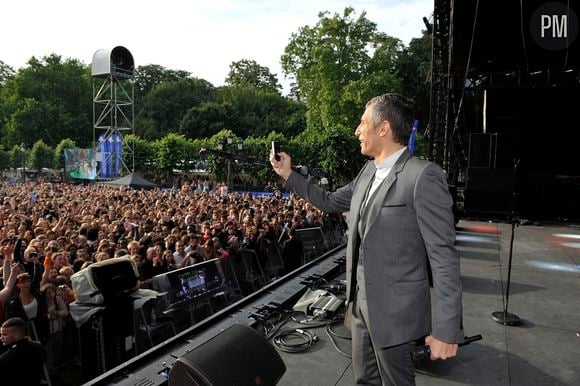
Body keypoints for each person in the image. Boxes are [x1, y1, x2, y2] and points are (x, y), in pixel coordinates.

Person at [270, 93, 463, 385]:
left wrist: (447, 329)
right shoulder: (368, 171)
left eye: (362, 123)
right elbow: (330, 201)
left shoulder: (423, 176)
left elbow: (443, 257)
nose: (357, 130)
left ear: (383, 128)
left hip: (396, 314)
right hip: (359, 308)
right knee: (364, 381)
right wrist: (288, 174)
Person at [0, 317, 45, 386]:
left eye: (4, 334)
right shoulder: (39, 347)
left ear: (16, 335)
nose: (1, 337)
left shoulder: (5, 358)